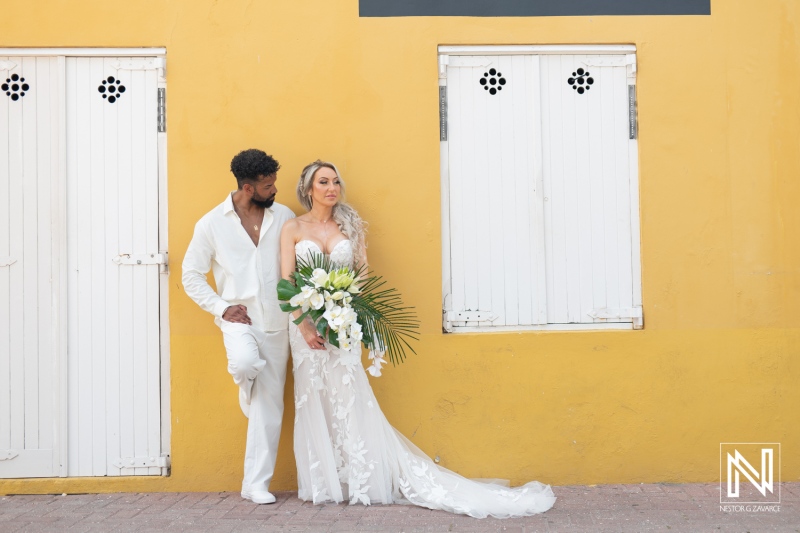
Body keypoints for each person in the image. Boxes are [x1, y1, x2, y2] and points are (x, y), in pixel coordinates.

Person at [279, 160, 556, 518]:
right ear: (308, 189)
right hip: (306, 324)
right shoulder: (292, 228)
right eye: (323, 182)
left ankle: (363, 479)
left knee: (350, 396)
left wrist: (347, 311)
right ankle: (325, 482)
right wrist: (304, 324)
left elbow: (362, 278)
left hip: (344, 322)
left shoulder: (349, 225)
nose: (331, 187)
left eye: (335, 181)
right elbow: (286, 282)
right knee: (313, 396)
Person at [183, 149, 295, 505]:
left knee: (270, 406)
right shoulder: (211, 223)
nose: (274, 188)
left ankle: (254, 484)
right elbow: (191, 274)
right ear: (248, 187)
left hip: (278, 321)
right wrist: (221, 306)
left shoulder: (284, 216)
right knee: (246, 365)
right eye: (267, 184)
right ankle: (246, 388)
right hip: (238, 319)